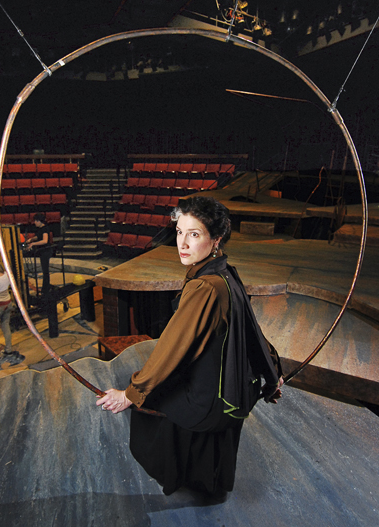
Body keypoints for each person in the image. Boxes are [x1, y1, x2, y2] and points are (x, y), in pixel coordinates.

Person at [96, 196, 283, 497]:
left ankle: (177, 475)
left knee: (152, 398)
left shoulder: (204, 287)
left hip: (212, 403)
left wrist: (132, 394)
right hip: (238, 395)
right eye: (180, 232)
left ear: (216, 239)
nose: (182, 243)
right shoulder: (225, 274)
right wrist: (272, 376)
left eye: (194, 234)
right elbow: (255, 334)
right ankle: (202, 478)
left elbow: (172, 348)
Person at [26, 213, 52, 296]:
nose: (34, 223)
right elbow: (38, 236)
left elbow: (45, 240)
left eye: (35, 221)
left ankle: (46, 288)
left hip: (46, 251)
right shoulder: (40, 229)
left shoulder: (45, 229)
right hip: (42, 251)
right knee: (45, 270)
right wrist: (31, 239)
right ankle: (45, 287)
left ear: (39, 221)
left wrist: (33, 244)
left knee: (45, 271)